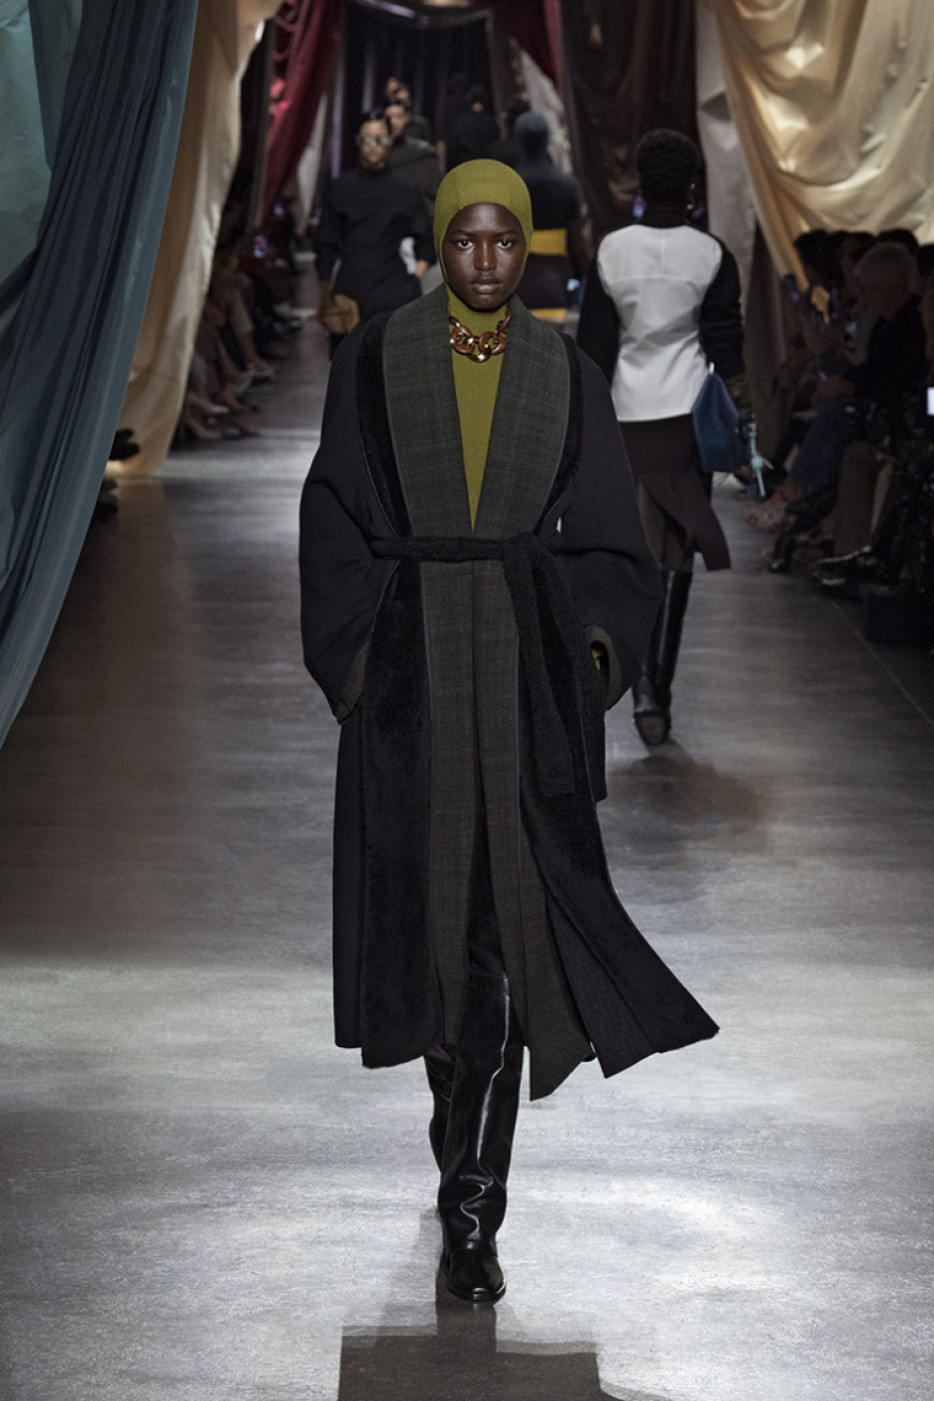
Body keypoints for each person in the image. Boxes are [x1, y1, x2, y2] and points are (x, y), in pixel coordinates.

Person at [299, 160, 718, 1305]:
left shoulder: (562, 372)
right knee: (428, 940)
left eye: (503, 242)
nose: (485, 261)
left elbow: (608, 539)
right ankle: (456, 1142)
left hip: (525, 688)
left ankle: (473, 1211)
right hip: (409, 686)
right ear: (438, 245)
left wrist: (590, 663)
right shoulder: (375, 359)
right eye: (465, 241)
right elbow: (332, 508)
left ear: (522, 246)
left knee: (496, 945)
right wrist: (351, 661)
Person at [577, 128, 746, 746]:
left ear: (640, 187)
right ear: (693, 187)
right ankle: (655, 690)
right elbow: (726, 344)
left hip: (624, 416)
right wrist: (745, 420)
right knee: (677, 555)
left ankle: (635, 677)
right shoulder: (712, 255)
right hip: (687, 421)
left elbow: (595, 348)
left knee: (631, 554)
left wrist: (583, 427)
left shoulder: (612, 251)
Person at [314, 111, 434, 354]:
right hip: (351, 290)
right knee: (348, 366)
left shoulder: (406, 188)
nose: (373, 146)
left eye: (380, 139)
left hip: (396, 289)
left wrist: (415, 277)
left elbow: (427, 238)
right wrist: (327, 296)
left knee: (395, 364)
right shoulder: (341, 188)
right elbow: (325, 243)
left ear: (389, 140)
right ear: (358, 141)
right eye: (367, 139)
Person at [512, 111, 589, 321]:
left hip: (517, 288)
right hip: (557, 285)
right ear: (546, 141)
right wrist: (582, 279)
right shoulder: (567, 185)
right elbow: (577, 244)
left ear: (518, 141)